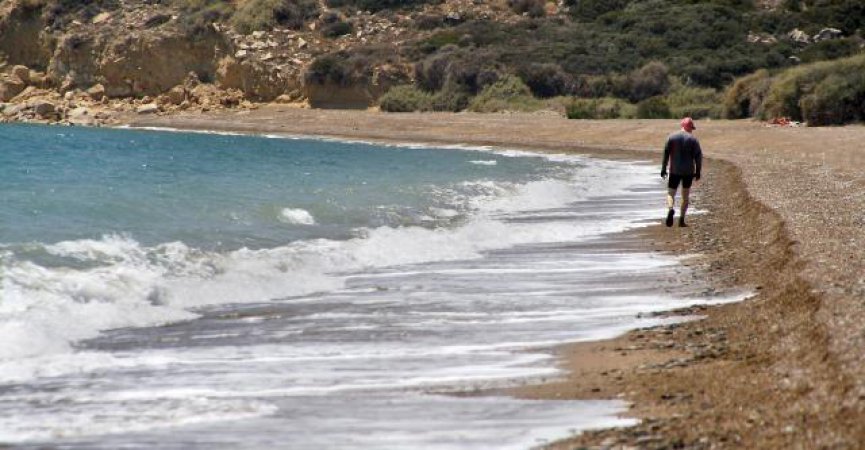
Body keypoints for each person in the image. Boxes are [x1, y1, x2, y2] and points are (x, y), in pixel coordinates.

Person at [661, 117, 702, 227]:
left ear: (682, 126)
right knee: (685, 196)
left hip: (674, 170)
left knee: (671, 193)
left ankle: (670, 208)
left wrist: (663, 168)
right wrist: (698, 171)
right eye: (692, 128)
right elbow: (698, 157)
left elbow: (666, 153)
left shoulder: (672, 137)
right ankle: (681, 220)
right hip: (688, 172)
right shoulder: (693, 140)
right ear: (690, 128)